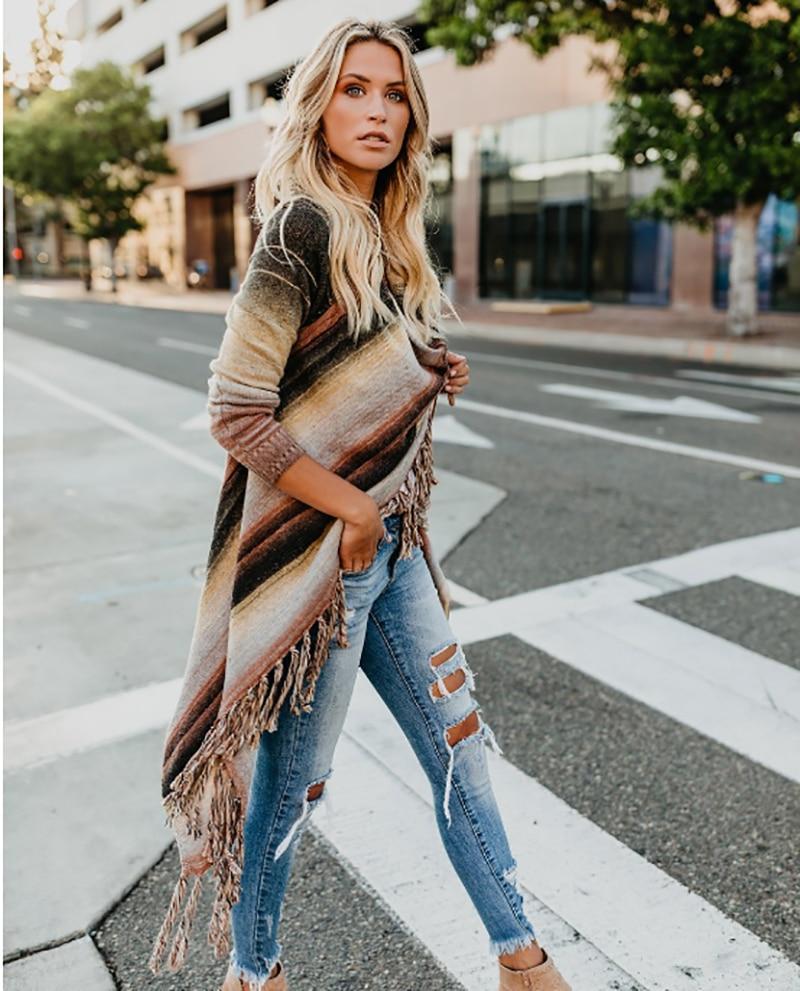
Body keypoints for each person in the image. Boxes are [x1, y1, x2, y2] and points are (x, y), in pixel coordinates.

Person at [149, 17, 571, 991]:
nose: (376, 110)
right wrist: (350, 509)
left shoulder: (381, 232)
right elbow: (238, 411)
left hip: (391, 548)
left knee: (460, 749)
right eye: (354, 89)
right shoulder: (298, 227)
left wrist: (426, 370)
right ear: (317, 104)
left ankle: (522, 959)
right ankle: (254, 973)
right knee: (289, 790)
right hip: (325, 562)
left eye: (392, 94)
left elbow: (349, 373)